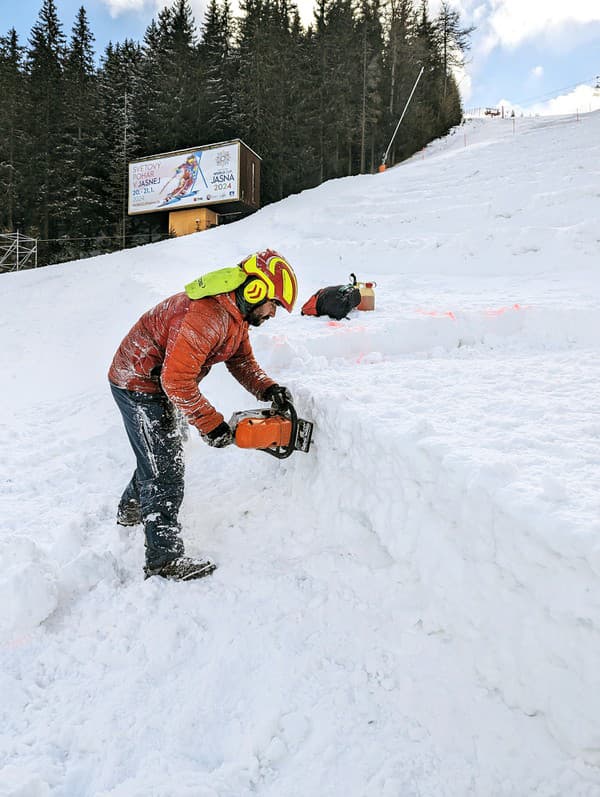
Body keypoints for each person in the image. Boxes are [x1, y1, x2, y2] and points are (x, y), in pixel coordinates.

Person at [108, 249, 297, 581]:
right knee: (164, 468)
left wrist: (267, 388)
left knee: (162, 450)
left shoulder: (235, 317)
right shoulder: (208, 314)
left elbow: (241, 362)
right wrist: (212, 425)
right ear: (255, 290)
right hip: (138, 381)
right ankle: (163, 560)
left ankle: (131, 508)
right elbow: (176, 379)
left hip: (159, 382)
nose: (273, 313)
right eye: (274, 304)